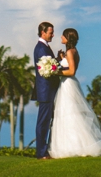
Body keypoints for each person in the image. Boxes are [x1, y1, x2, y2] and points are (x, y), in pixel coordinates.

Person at [47, 28, 101, 159]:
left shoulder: (70, 52)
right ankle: (72, 145)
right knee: (68, 112)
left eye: (63, 36)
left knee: (70, 112)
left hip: (68, 83)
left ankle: (75, 146)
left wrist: (55, 72)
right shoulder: (72, 52)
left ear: (67, 38)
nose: (60, 37)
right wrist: (61, 59)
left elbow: (71, 71)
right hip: (67, 83)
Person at [33, 21, 60, 159]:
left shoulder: (44, 47)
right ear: (43, 32)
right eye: (51, 32)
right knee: (43, 122)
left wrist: (57, 59)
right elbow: (47, 69)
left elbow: (51, 64)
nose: (53, 35)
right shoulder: (41, 48)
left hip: (48, 90)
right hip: (45, 91)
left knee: (45, 121)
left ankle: (44, 150)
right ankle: (41, 152)